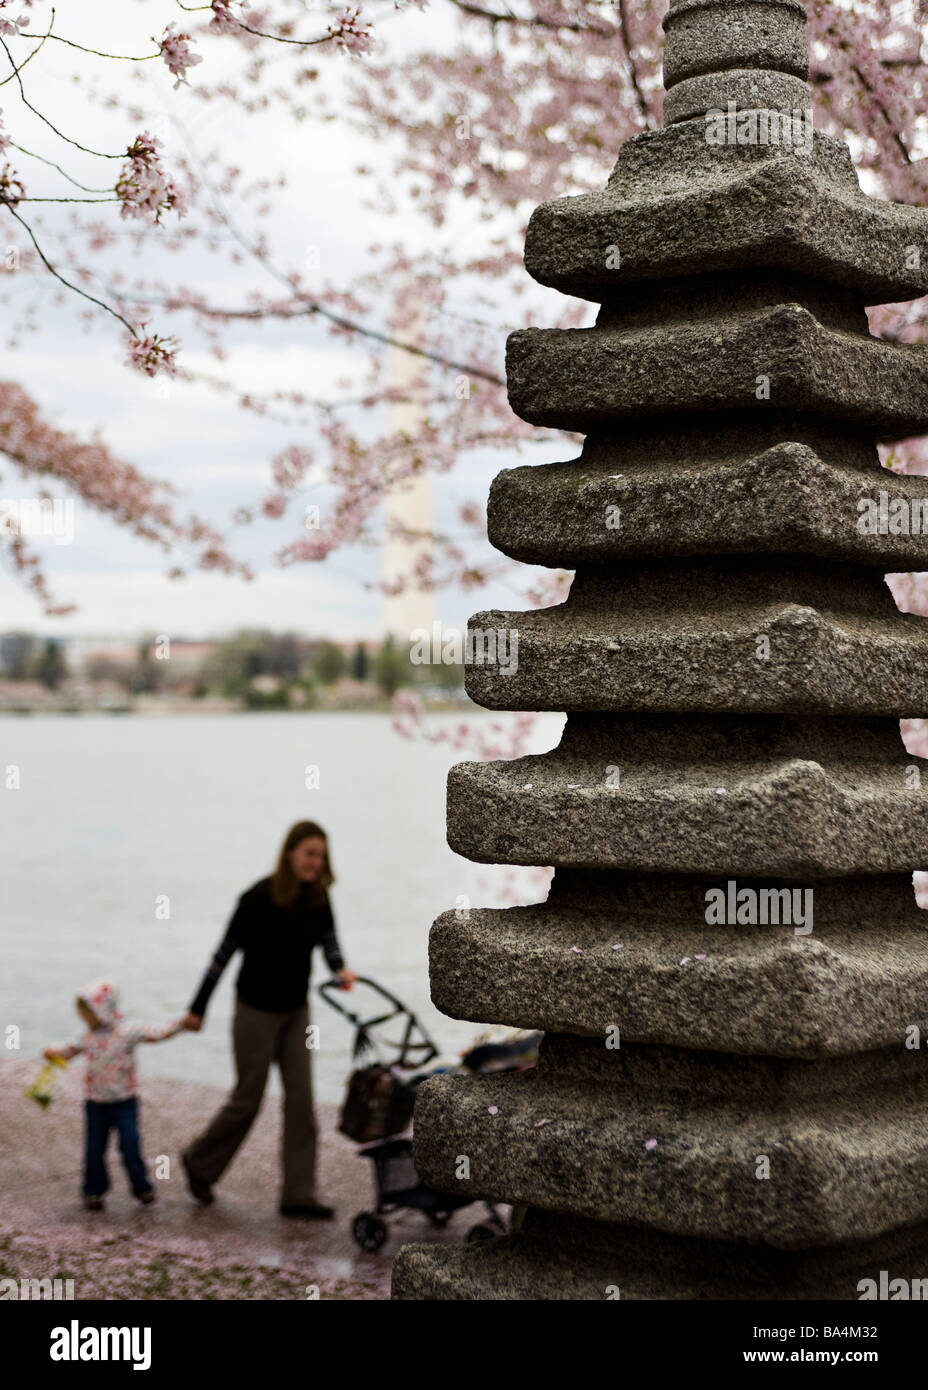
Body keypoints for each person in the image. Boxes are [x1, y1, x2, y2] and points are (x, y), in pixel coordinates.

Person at [181, 820, 356, 1219]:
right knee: (248, 1099)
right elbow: (222, 956)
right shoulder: (257, 898)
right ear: (290, 852)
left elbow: (328, 941)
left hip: (296, 1013)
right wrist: (197, 1008)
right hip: (254, 1013)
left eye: (321, 856)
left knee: (301, 1103)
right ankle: (198, 1162)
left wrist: (340, 968)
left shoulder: (319, 897)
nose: (316, 862)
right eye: (310, 853)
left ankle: (298, 1194)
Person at [44, 979, 191, 1211]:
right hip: (95, 1103)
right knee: (94, 1149)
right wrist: (51, 1051)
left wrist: (181, 1024)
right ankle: (93, 1191)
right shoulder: (87, 1037)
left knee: (130, 1145)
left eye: (87, 1012)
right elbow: (67, 1051)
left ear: (101, 1009)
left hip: (125, 1102)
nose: (85, 1018)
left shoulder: (127, 1031)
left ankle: (142, 1187)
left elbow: (158, 1033)